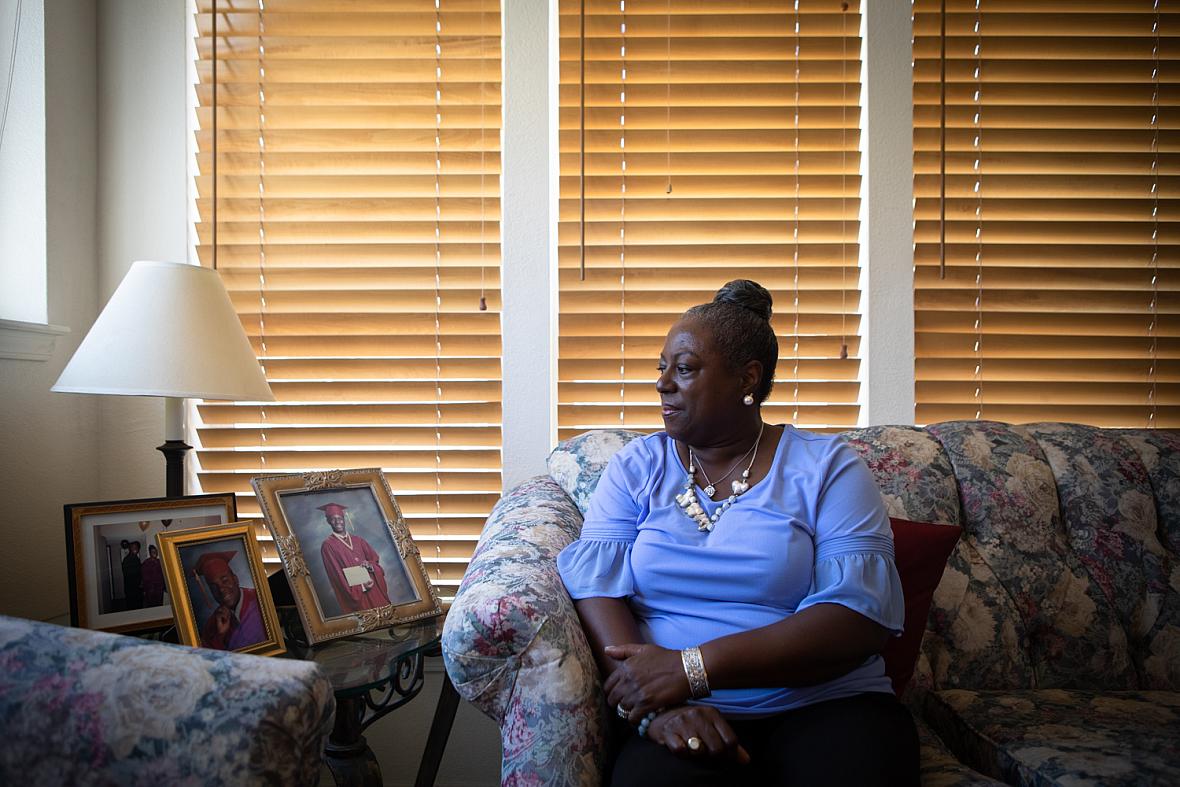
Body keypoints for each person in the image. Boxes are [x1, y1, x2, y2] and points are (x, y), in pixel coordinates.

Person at [557, 280, 919, 786]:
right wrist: (652, 710)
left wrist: (691, 668)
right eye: (661, 368)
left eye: (683, 369)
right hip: (678, 711)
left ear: (747, 378)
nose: (663, 384)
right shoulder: (636, 467)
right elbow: (597, 588)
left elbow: (857, 617)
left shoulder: (827, 467)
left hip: (828, 705)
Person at [317, 502, 393, 613]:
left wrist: (370, 566)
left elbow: (375, 561)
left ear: (344, 519)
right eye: (333, 519)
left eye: (340, 518)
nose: (338, 522)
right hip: (357, 595)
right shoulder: (328, 546)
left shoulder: (358, 540)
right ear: (328, 521)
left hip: (374, 588)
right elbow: (336, 576)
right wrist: (361, 587)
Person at [195, 550, 266, 651]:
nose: (221, 589)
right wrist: (220, 636)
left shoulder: (260, 600)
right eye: (214, 586)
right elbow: (211, 660)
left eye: (225, 580)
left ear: (235, 579)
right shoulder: (211, 626)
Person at [121, 541, 143, 610]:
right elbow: (128, 574)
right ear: (130, 548)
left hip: (137, 588)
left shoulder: (136, 558)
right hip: (131, 589)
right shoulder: (127, 559)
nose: (135, 548)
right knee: (132, 607)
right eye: (133, 547)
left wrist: (141, 581)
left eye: (136, 547)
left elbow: (139, 572)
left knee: (139, 606)